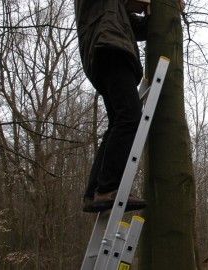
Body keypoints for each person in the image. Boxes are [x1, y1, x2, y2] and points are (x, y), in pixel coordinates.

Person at [74, 0, 149, 212]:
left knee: (119, 121)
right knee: (129, 117)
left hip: (108, 50)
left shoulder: (116, 11)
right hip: (109, 49)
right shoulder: (104, 7)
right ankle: (108, 188)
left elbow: (140, 28)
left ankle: (94, 192)